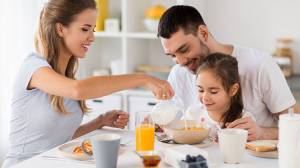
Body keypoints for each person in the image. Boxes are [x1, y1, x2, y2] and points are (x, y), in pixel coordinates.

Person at [2, 0, 174, 167]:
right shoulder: (33, 67)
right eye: (85, 29)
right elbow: (78, 90)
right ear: (60, 29)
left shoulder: (66, 78)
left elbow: (59, 138)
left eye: (93, 29)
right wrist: (142, 78)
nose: (92, 37)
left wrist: (100, 121)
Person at [157, 5, 295, 141]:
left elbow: (296, 125)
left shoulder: (260, 65)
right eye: (172, 56)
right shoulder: (179, 73)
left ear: (203, 33)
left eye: (184, 49)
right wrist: (157, 123)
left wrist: (262, 133)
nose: (180, 62)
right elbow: (169, 127)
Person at [194, 53, 255, 139]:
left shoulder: (244, 120)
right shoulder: (192, 115)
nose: (205, 97)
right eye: (201, 90)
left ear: (233, 90)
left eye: (213, 91)